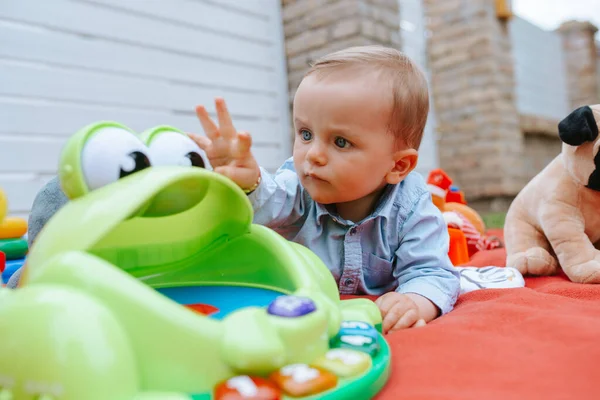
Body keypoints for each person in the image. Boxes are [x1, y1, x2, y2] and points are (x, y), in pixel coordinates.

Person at [189, 45, 460, 333]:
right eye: (305, 134)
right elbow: (266, 204)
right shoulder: (296, 185)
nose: (313, 155)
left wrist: (414, 301)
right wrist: (248, 181)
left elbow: (432, 273)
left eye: (340, 142)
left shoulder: (411, 209)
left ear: (398, 166)